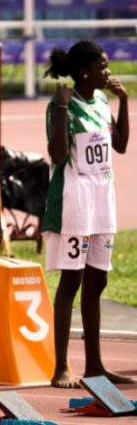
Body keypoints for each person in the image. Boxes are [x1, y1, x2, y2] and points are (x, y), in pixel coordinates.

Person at [42, 40, 131, 388]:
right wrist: (63, 108)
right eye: (102, 66)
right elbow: (57, 154)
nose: (107, 72)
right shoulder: (62, 104)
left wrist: (124, 101)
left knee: (98, 281)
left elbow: (120, 145)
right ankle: (61, 366)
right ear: (84, 71)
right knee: (72, 281)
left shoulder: (102, 102)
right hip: (74, 198)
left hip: (102, 197)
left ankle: (95, 365)